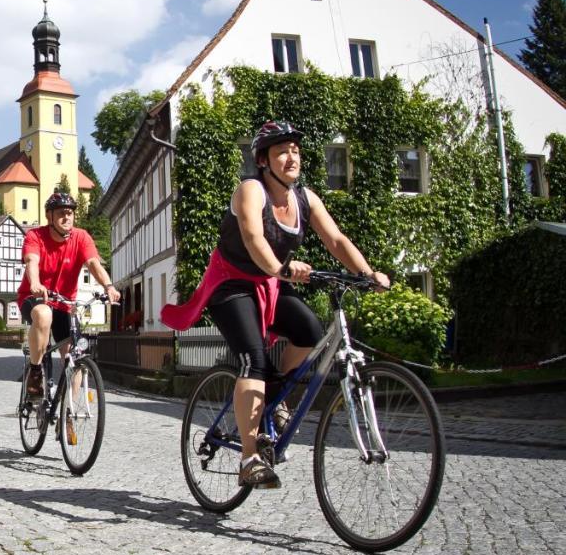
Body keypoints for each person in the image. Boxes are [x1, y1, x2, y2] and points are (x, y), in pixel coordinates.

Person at [161, 121, 389, 489]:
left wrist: (368, 273)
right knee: (253, 358)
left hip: (271, 282)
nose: (292, 157)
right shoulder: (250, 189)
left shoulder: (305, 199)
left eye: (295, 150)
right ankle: (250, 457)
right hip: (231, 284)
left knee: (310, 331)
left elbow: (336, 239)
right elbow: (252, 236)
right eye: (282, 151)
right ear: (263, 160)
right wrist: (281, 268)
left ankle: (274, 395)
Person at [19, 191, 122, 401]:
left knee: (76, 357)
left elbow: (93, 263)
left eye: (70, 213)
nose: (67, 217)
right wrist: (36, 284)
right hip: (35, 299)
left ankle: (69, 416)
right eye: (61, 213)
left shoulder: (81, 237)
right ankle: (35, 371)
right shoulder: (35, 236)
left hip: (65, 305)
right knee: (44, 314)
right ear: (49, 216)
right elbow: (32, 261)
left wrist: (109, 286)